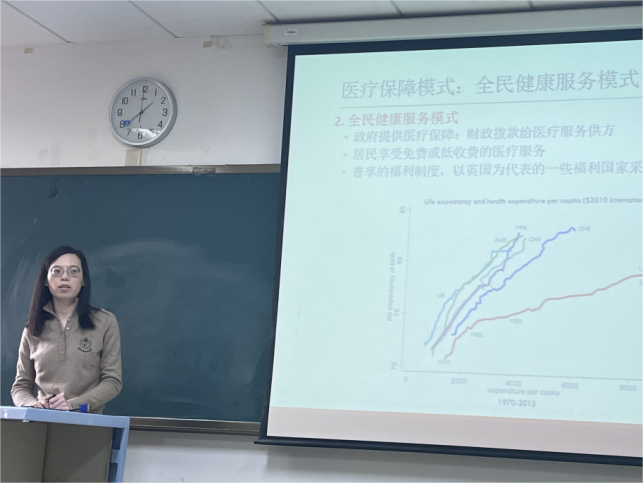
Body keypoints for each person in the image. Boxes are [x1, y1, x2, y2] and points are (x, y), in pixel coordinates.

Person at [11, 246, 122, 414]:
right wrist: (33, 405)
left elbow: (112, 381)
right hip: (41, 423)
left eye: (73, 271)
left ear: (83, 280)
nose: (64, 277)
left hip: (87, 423)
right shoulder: (32, 328)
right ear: (46, 280)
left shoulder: (104, 322)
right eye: (57, 271)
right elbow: (21, 386)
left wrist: (73, 404)